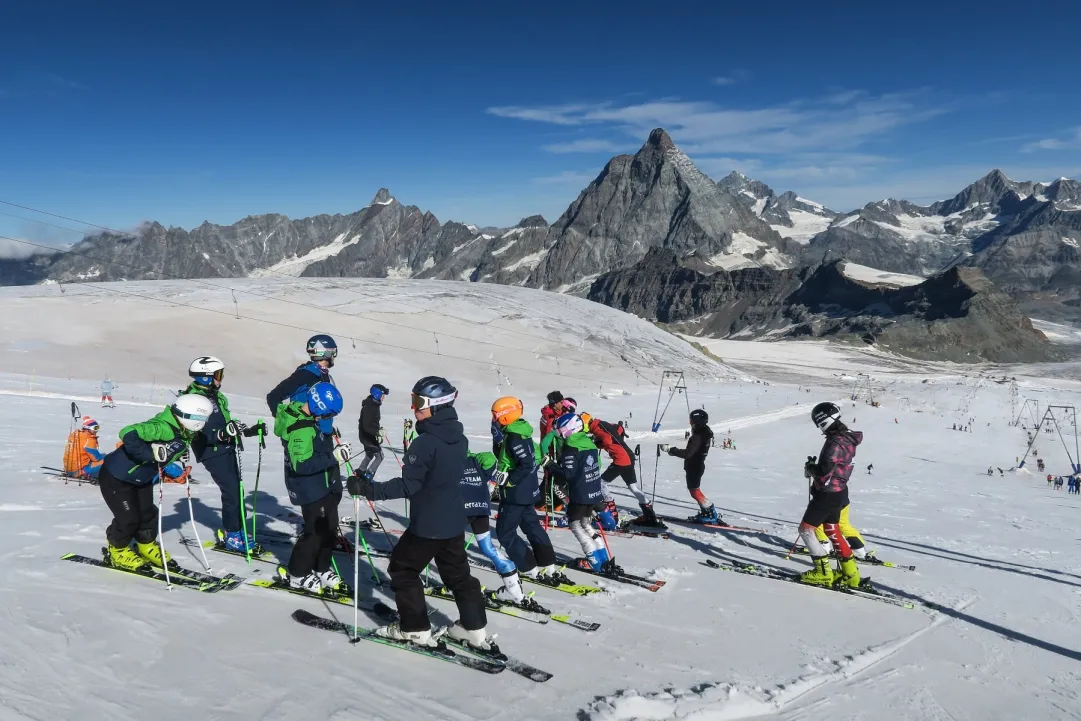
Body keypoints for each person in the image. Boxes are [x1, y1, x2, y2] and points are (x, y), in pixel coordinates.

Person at [348, 377, 490, 648]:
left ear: (435, 405)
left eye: (418, 403)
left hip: (429, 524)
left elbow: (409, 485)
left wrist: (368, 489)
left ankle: (414, 628)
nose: (414, 408)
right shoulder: (458, 437)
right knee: (458, 575)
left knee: (403, 569)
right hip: (453, 521)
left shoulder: (425, 443)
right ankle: (474, 628)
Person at [97, 395, 214, 570]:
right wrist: (149, 454)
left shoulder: (184, 430)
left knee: (148, 513)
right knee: (128, 518)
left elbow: (190, 443)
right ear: (193, 418)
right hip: (117, 477)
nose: (205, 423)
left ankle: (145, 545)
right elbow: (128, 432)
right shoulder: (163, 427)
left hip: (141, 478)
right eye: (204, 418)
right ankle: (117, 550)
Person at [180, 357, 265, 552]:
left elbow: (225, 422)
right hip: (211, 452)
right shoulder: (193, 399)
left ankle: (238, 527)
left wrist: (248, 430)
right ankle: (232, 533)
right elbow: (193, 430)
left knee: (237, 490)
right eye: (218, 375)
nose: (221, 379)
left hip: (226, 448)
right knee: (231, 492)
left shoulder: (216, 396)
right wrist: (221, 434)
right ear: (206, 378)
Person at [273, 382, 348, 593]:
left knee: (330, 528)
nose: (326, 419)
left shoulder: (307, 419)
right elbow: (302, 465)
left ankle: (321, 567)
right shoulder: (302, 429)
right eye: (328, 415)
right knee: (314, 532)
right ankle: (297, 573)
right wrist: (333, 458)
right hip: (310, 488)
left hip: (322, 484)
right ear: (319, 408)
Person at [490, 396, 563, 585]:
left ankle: (528, 566)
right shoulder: (521, 431)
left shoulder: (514, 436)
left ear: (505, 416)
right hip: (527, 491)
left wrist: (508, 480)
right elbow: (535, 456)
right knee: (532, 527)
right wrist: (497, 441)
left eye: (495, 415)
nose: (493, 419)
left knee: (505, 532)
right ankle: (547, 563)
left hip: (515, 494)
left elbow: (526, 463)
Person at [797, 402, 862, 588]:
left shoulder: (835, 442)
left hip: (828, 493)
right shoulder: (846, 437)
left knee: (805, 530)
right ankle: (851, 574)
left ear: (822, 421)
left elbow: (825, 470)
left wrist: (811, 468)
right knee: (832, 531)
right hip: (840, 492)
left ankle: (822, 572)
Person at [459, 449, 528, 605]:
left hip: (462, 511)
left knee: (449, 548)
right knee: (488, 548)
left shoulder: (449, 463)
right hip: (481, 509)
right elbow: (490, 458)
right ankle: (517, 593)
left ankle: (458, 586)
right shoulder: (476, 460)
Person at [552, 413, 618, 573]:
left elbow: (568, 474)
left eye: (560, 430)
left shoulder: (571, 447)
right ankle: (602, 556)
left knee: (575, 524)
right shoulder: (588, 442)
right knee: (585, 523)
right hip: (594, 492)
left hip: (581, 494)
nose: (559, 433)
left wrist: (551, 467)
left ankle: (594, 560)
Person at [583, 412, 659, 527]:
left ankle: (612, 513)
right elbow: (618, 428)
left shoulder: (597, 429)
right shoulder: (602, 423)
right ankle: (650, 516)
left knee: (600, 483)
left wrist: (596, 443)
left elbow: (607, 439)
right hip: (629, 457)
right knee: (633, 487)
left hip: (621, 460)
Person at [659, 409, 718, 524]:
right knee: (694, 491)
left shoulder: (698, 436)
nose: (690, 423)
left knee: (695, 492)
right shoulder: (704, 434)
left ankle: (710, 512)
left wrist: (671, 449)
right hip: (696, 465)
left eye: (691, 421)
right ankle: (707, 512)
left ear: (697, 421)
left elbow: (688, 453)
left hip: (694, 466)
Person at [266, 334, 338, 415]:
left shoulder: (324, 375)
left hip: (320, 427)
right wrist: (287, 421)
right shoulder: (305, 374)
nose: (334, 357)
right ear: (326, 353)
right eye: (333, 353)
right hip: (306, 427)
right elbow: (273, 397)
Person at [358, 384, 389, 476]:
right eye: (383, 395)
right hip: (367, 436)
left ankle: (360, 473)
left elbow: (372, 423)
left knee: (369, 455)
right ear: (377, 394)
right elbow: (366, 425)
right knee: (380, 456)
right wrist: (377, 432)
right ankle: (368, 476)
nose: (384, 398)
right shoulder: (370, 406)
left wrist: (378, 430)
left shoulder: (374, 404)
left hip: (367, 435)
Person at [63, 415, 105, 480]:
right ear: (87, 428)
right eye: (95, 428)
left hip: (69, 467)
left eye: (98, 428)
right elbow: (96, 458)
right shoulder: (89, 439)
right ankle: (84, 474)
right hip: (78, 470)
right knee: (107, 460)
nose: (97, 430)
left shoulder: (75, 435)